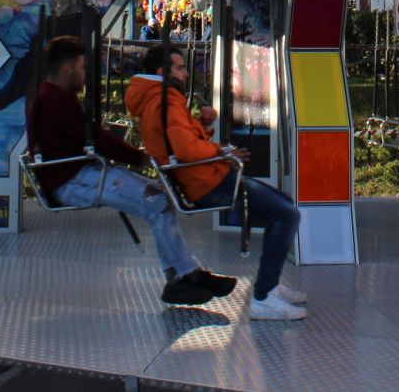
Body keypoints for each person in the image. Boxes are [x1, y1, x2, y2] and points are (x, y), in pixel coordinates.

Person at [32, 38, 236, 308]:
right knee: (157, 201)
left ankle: (187, 273)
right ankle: (181, 277)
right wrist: (139, 157)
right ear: (68, 68)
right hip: (72, 180)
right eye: (83, 68)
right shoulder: (55, 101)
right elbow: (94, 138)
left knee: (161, 198)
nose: (87, 76)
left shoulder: (54, 97)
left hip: (81, 172)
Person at [126, 44, 305, 320]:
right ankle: (264, 296)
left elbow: (181, 142)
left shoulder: (157, 98)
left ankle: (271, 285)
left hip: (208, 175)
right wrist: (223, 152)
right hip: (209, 181)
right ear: (163, 71)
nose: (186, 73)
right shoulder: (166, 100)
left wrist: (203, 125)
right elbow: (185, 150)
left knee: (283, 206)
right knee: (285, 214)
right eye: (180, 67)